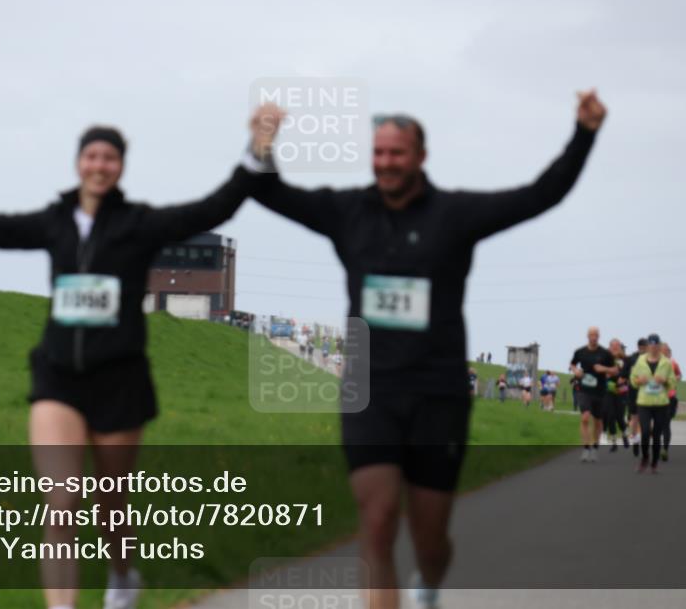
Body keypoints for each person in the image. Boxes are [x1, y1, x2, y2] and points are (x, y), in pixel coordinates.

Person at [0, 105, 280, 609]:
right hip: (58, 377)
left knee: (111, 505)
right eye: (91, 156)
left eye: (110, 158)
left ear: (120, 167)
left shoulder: (139, 224)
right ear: (79, 163)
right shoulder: (53, 223)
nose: (99, 166)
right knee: (60, 504)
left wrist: (257, 150)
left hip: (119, 381)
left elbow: (213, 209)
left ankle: (123, 576)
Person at [250, 91, 606, 609]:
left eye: (396, 153)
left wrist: (584, 133)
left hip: (438, 394)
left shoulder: (455, 215)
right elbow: (271, 193)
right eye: (378, 153)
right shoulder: (347, 212)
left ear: (420, 157)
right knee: (376, 522)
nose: (386, 163)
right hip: (369, 390)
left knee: (430, 539)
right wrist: (262, 139)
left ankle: (430, 583)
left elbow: (541, 194)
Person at [570, 326, 618, 463]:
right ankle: (586, 448)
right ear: (587, 336)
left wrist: (604, 368)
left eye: (596, 335)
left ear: (599, 336)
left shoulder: (605, 353)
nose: (594, 337)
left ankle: (595, 448)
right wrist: (576, 371)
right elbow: (572, 364)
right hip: (584, 390)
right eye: (591, 334)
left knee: (598, 421)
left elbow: (615, 370)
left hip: (600, 391)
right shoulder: (580, 352)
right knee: (585, 418)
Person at [630, 334, 677, 474]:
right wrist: (639, 381)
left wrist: (665, 381)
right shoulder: (640, 361)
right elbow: (633, 380)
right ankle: (645, 458)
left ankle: (654, 462)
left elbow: (673, 383)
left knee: (656, 435)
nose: (653, 347)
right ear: (648, 346)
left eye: (656, 345)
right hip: (644, 402)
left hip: (661, 403)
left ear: (659, 346)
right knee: (645, 432)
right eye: (651, 344)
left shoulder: (666, 363)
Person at [603, 339, 629, 452]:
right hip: (608, 391)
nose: (614, 348)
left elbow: (629, 374)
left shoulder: (625, 359)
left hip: (621, 391)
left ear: (620, 347)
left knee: (619, 417)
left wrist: (621, 376)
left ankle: (624, 435)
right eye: (612, 346)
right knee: (610, 416)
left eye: (616, 346)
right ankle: (613, 442)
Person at [624, 338, 647, 456]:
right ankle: (636, 441)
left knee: (646, 419)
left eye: (645, 347)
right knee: (634, 418)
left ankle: (642, 439)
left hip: (647, 393)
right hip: (633, 392)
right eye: (641, 347)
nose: (643, 349)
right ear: (638, 347)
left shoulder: (652, 359)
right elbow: (624, 374)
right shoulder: (631, 359)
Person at [660, 342, 682, 461]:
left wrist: (674, 378)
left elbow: (679, 375)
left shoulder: (673, 363)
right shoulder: (654, 363)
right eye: (662, 350)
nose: (664, 352)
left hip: (670, 397)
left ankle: (665, 449)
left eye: (666, 351)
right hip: (655, 398)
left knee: (666, 424)